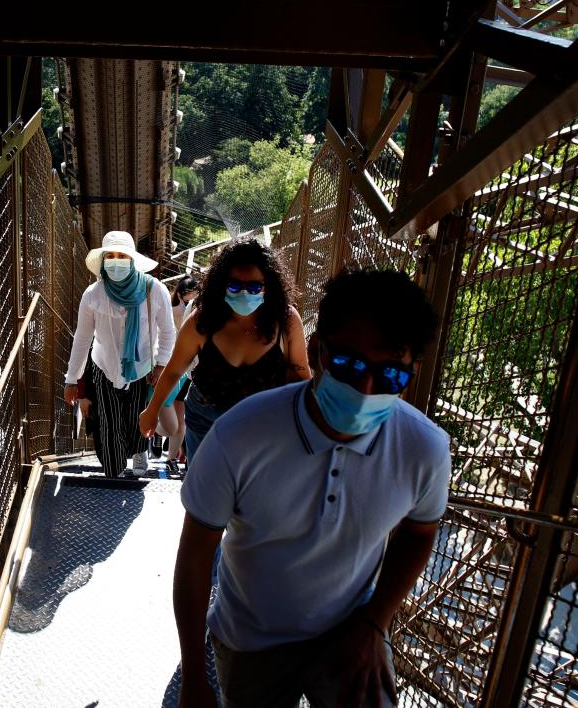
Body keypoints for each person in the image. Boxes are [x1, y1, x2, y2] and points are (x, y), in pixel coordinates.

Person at [173, 269, 450, 708]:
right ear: (318, 350)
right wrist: (193, 674)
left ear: (413, 373)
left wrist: (375, 624)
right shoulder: (240, 435)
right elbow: (195, 551)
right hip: (250, 639)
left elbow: (421, 530)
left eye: (392, 376)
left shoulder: (424, 449)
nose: (366, 389)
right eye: (349, 366)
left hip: (350, 631)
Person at [139, 239, 309, 463]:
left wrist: (307, 420)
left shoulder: (286, 320)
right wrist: (152, 411)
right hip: (206, 419)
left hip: (264, 421)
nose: (245, 293)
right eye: (235, 286)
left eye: (255, 287)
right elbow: (173, 370)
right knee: (205, 492)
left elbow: (300, 372)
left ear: (269, 286)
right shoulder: (202, 321)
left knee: (254, 493)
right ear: (221, 285)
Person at [65, 231, 176, 478]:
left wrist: (161, 365)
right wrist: (72, 379)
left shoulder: (154, 290)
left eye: (122, 256)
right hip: (103, 367)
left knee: (138, 416)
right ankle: (113, 473)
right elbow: (82, 339)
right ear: (103, 260)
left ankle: (139, 453)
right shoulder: (93, 294)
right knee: (109, 421)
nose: (116, 261)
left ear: (132, 259)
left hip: (143, 368)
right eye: (111, 256)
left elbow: (168, 332)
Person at [155, 275, 200, 470]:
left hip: (189, 371)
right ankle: (157, 433)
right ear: (181, 295)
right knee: (170, 417)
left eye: (196, 293)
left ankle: (171, 459)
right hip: (172, 368)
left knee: (181, 419)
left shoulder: (199, 312)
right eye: (190, 294)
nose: (193, 297)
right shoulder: (172, 312)